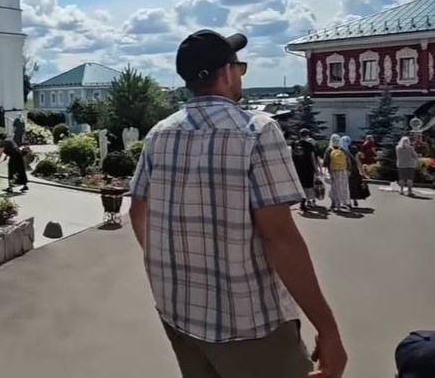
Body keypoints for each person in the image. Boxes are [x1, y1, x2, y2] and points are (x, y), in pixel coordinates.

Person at [128, 29, 346, 378]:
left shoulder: (159, 133)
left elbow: (138, 212)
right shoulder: (256, 130)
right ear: (228, 72)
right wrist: (329, 329)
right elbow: (280, 238)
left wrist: (171, 271)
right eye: (239, 67)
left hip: (178, 312)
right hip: (247, 322)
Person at [291, 128, 319, 211]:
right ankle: (304, 202)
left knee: (300, 185)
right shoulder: (309, 145)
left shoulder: (294, 144)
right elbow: (313, 158)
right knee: (307, 186)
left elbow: (291, 156)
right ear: (307, 135)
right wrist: (316, 170)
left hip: (297, 168)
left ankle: (301, 202)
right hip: (308, 168)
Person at [323, 134, 350, 212]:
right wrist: (348, 170)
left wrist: (328, 171)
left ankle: (334, 204)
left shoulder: (329, 149)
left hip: (333, 171)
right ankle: (343, 203)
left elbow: (325, 162)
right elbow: (348, 161)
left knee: (334, 188)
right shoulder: (343, 149)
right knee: (342, 187)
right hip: (342, 171)